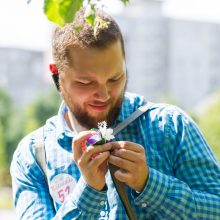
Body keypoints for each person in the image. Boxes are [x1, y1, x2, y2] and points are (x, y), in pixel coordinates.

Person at [10, 8, 220, 220]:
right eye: (86, 83)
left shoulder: (171, 127)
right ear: (57, 75)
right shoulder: (34, 156)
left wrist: (150, 184)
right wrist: (88, 192)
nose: (103, 95)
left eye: (115, 78)